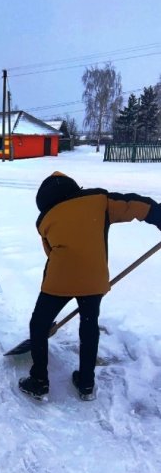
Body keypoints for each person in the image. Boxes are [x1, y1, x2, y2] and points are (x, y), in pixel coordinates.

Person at [19, 171, 161, 401]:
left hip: (59, 281)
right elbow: (138, 205)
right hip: (93, 281)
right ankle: (86, 384)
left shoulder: (44, 221)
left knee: (39, 324)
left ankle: (39, 380)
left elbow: (50, 252)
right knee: (89, 326)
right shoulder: (100, 202)